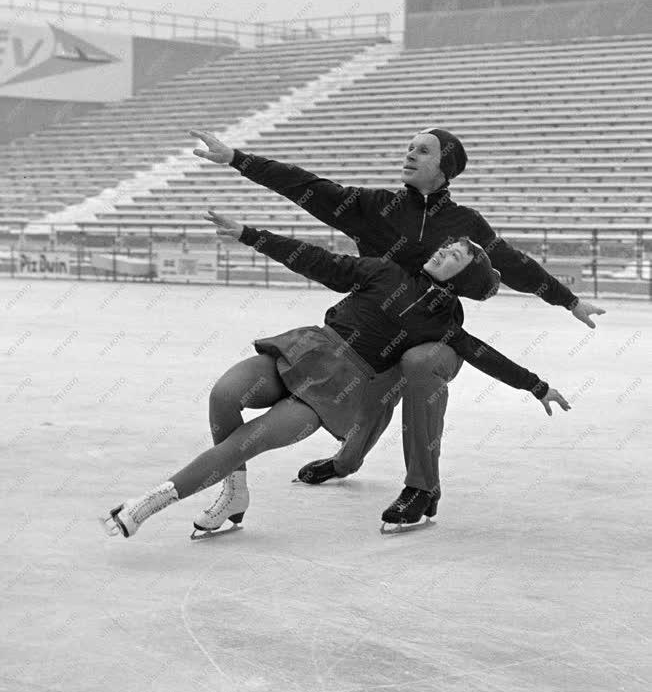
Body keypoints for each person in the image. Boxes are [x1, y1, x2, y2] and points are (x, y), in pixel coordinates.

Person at [190, 128, 604, 523]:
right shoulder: (376, 208)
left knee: (418, 364)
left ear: (446, 167)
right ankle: (345, 461)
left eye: (423, 150)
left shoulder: (467, 222)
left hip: (433, 331)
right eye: (410, 147)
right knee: (373, 390)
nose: (410, 154)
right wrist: (237, 160)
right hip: (374, 326)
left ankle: (422, 489)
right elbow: (309, 188)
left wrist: (567, 300)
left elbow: (512, 264)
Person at [101, 212, 571, 540]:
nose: (445, 249)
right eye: (448, 245)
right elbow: (318, 260)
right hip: (305, 347)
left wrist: (536, 385)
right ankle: (235, 493)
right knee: (225, 393)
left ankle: (147, 505)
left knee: (247, 441)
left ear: (463, 279)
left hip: (336, 388)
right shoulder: (386, 271)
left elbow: (485, 355)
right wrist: (250, 234)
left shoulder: (443, 324)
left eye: (456, 255)